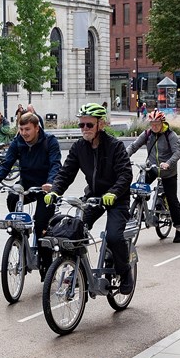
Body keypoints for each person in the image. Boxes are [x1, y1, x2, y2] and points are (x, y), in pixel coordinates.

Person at [43, 103, 134, 294]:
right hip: (93, 196)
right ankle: (77, 270)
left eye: (89, 125)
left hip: (117, 198)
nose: (84, 129)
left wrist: (114, 193)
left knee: (113, 236)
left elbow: (126, 175)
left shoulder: (115, 147)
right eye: (81, 125)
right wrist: (55, 191)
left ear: (101, 125)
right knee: (75, 230)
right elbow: (66, 173)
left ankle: (125, 273)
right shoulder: (79, 147)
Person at [0, 111, 62, 276]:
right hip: (26, 184)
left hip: (45, 187)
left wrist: (50, 183)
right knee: (12, 196)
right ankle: (19, 235)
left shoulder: (50, 141)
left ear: (36, 128)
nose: (24, 133)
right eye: (21, 129)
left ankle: (47, 268)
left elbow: (56, 164)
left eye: (27, 129)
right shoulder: (18, 142)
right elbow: (7, 164)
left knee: (41, 224)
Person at [127, 110, 180, 243]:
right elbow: (134, 146)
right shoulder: (147, 134)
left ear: (162, 123)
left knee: (172, 199)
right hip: (152, 168)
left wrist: (168, 163)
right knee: (139, 188)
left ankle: (179, 229)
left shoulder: (171, 135)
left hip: (168, 172)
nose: (154, 126)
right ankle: (141, 208)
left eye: (157, 123)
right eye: (152, 123)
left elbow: (178, 152)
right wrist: (124, 157)